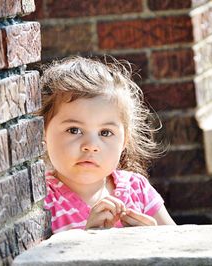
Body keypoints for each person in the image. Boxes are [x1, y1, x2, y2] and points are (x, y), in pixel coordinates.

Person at [39, 56, 176, 234]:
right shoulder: (41, 203)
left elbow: (180, 249)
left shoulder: (137, 189)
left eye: (105, 133)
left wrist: (153, 238)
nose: (91, 146)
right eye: (74, 130)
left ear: (125, 139)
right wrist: (90, 239)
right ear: (43, 132)